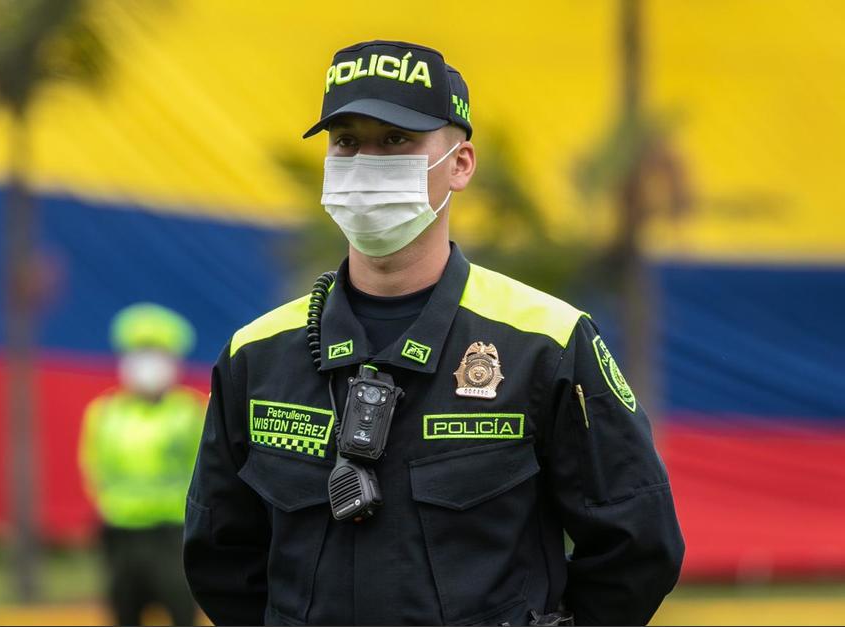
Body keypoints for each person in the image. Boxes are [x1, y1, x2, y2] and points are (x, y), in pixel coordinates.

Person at [184, 40, 684, 626]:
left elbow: (636, 546)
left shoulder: (545, 344)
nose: (366, 162)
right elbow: (219, 557)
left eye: (396, 140)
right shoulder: (258, 354)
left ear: (460, 164)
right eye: (346, 141)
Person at [79, 303, 205, 626]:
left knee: (182, 612)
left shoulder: (190, 412)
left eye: (156, 352)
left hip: (173, 534)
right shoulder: (105, 413)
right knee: (124, 614)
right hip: (121, 534)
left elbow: (205, 472)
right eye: (139, 351)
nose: (147, 363)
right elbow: (93, 467)